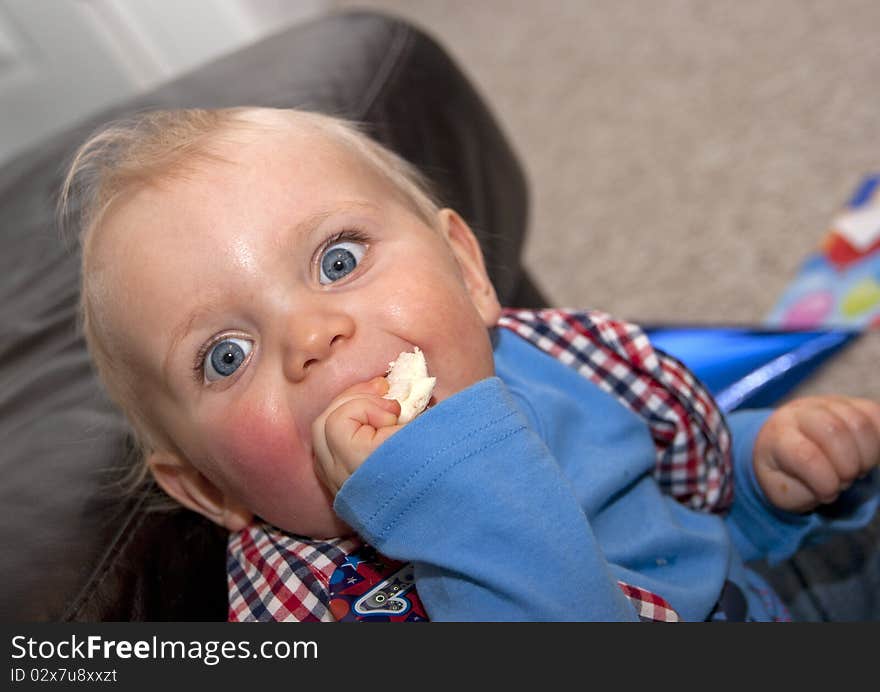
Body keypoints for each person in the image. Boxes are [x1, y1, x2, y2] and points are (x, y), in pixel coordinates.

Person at [60, 106, 880, 622]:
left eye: (338, 261)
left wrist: (763, 467)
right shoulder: (317, 607)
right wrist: (446, 492)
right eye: (226, 355)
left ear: (468, 270)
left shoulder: (553, 359)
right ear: (212, 490)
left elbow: (678, 486)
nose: (311, 336)